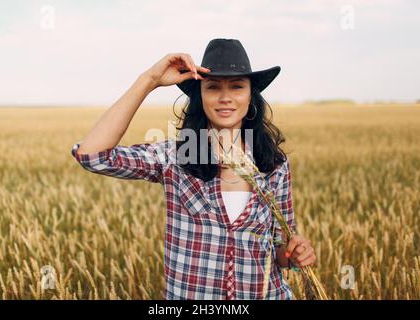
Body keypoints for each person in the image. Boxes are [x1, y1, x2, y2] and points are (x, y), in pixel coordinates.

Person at [71, 38, 316, 300]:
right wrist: (149, 80)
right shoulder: (175, 157)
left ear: (251, 95)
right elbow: (93, 156)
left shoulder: (274, 164)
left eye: (237, 87)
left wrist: (295, 253)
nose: (225, 98)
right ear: (200, 96)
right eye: (212, 87)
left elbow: (281, 251)